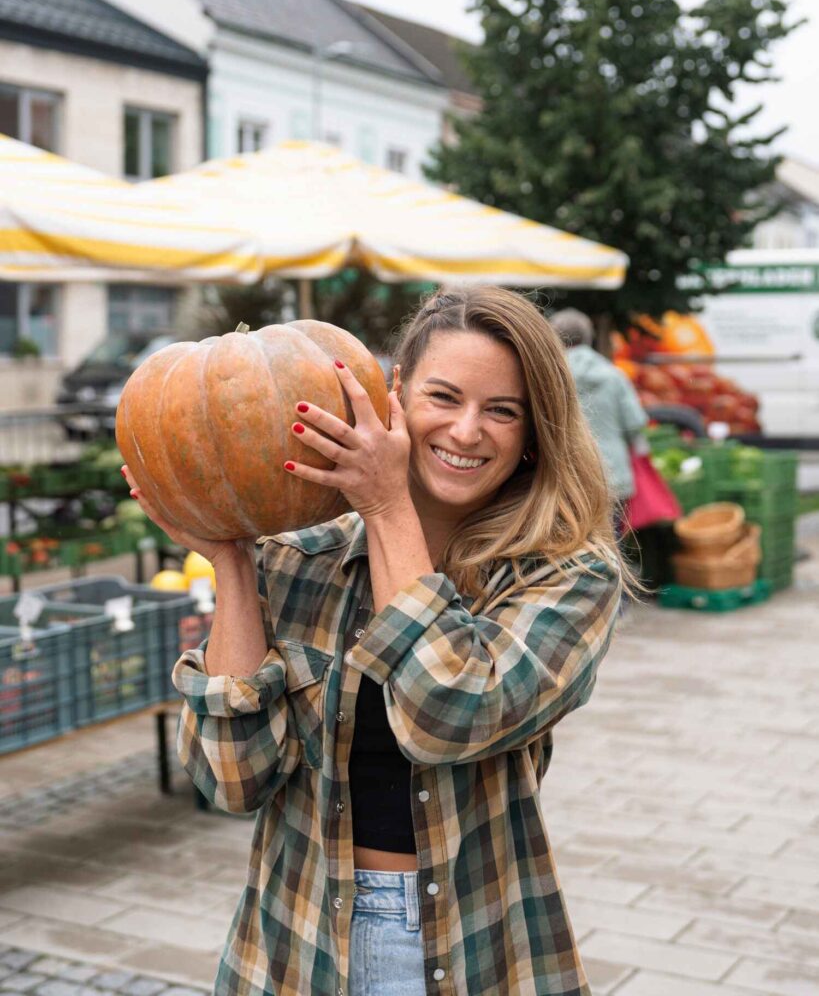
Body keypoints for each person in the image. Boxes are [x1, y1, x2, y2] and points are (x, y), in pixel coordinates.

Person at [124, 286, 629, 996]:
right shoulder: (301, 555)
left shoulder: (565, 576)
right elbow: (231, 781)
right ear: (390, 395)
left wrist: (387, 505)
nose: (465, 430)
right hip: (293, 940)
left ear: (534, 430)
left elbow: (447, 713)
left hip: (472, 941)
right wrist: (233, 561)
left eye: (501, 411)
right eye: (443, 398)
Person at [549, 308, 648, 531]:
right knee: (610, 544)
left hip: (564, 476)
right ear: (588, 336)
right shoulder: (613, 374)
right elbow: (635, 422)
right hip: (612, 476)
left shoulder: (550, 376)